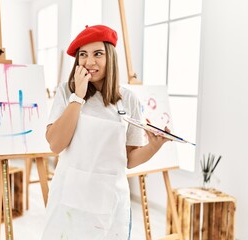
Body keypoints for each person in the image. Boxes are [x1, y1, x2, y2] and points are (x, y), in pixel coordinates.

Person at [41, 25, 170, 240]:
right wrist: (78, 97)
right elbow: (55, 144)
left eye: (97, 54)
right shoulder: (65, 91)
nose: (89, 62)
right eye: (83, 55)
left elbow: (129, 159)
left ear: (110, 57)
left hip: (110, 203)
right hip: (69, 201)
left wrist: (154, 147)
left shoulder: (129, 100)